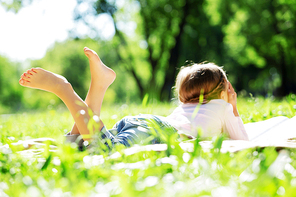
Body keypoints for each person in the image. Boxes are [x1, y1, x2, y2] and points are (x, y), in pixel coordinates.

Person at [18, 47, 248, 150]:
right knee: (103, 147)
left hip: (146, 122)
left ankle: (98, 86)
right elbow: (242, 140)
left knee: (80, 145)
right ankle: (64, 88)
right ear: (223, 91)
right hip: (160, 131)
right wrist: (234, 108)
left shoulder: (185, 107)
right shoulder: (223, 107)